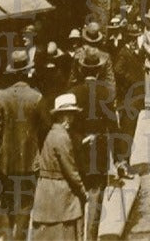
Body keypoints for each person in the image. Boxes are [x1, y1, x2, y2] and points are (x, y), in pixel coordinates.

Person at [0, 48, 45, 241]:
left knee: (8, 204)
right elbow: (44, 129)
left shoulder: (1, 98)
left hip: (7, 162)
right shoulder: (36, 98)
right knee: (24, 206)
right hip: (30, 161)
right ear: (27, 71)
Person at [70, 47, 116, 240]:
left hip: (79, 147)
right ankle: (91, 237)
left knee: (79, 193)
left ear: (81, 69)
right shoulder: (106, 91)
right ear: (98, 70)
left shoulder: (73, 92)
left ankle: (78, 236)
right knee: (96, 193)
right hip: (99, 147)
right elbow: (113, 123)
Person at [30, 93, 86, 241]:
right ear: (64, 117)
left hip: (44, 192)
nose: (72, 119)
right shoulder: (62, 137)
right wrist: (82, 189)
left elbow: (35, 165)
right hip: (60, 194)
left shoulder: (48, 133)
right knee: (65, 232)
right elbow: (70, 169)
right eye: (70, 115)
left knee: (45, 234)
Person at [112, 22, 145, 177]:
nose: (136, 40)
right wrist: (130, 81)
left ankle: (126, 163)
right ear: (130, 39)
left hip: (134, 100)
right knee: (126, 133)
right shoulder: (123, 53)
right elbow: (118, 71)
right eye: (134, 38)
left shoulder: (133, 52)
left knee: (129, 133)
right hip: (128, 101)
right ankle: (123, 165)